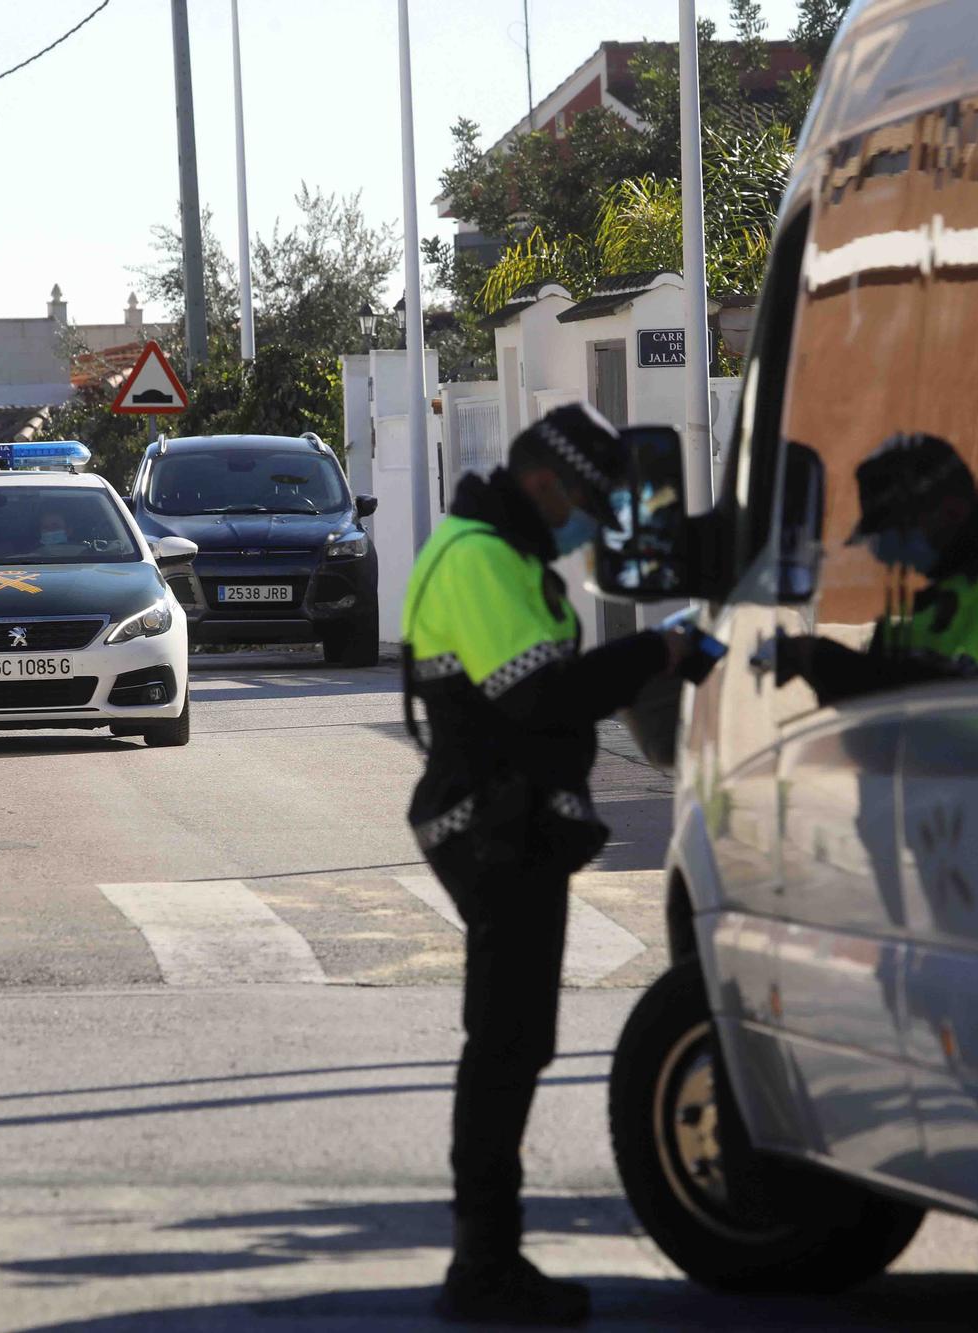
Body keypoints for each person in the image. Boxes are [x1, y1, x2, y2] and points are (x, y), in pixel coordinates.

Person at [401, 403, 690, 1325]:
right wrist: (658, 650)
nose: (583, 532)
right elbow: (540, 696)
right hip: (492, 827)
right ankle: (482, 1265)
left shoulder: (499, 549)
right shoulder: (481, 557)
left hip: (510, 822)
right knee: (504, 1046)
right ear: (542, 482)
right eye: (583, 508)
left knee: (515, 1043)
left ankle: (489, 1256)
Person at [774, 432, 978, 704]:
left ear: (952, 512)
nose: (890, 551)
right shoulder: (936, 602)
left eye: (901, 528)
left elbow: (961, 698)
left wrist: (822, 660)